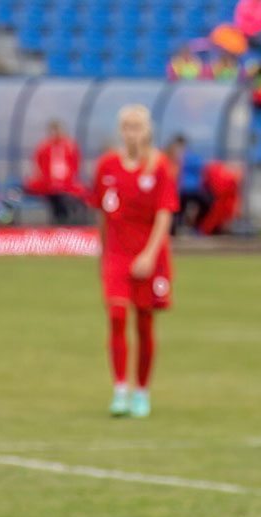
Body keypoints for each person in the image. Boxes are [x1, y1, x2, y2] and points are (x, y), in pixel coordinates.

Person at [91, 105, 178, 419]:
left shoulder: (159, 166)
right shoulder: (107, 165)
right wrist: (103, 251)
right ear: (120, 130)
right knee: (116, 315)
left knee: (144, 323)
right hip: (116, 253)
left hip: (148, 255)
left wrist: (150, 255)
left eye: (137, 127)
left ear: (148, 130)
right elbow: (102, 212)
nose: (132, 133)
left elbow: (164, 214)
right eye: (127, 126)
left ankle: (142, 392)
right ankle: (120, 389)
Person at [25, 120, 85, 225]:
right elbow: (39, 166)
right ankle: (59, 220)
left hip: (67, 185)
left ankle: (70, 221)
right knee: (55, 197)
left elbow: (75, 166)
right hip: (49, 186)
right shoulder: (44, 147)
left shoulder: (70, 147)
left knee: (74, 197)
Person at [166, 135, 208, 234]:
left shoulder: (188, 158)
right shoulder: (171, 158)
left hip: (190, 191)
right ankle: (175, 229)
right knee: (176, 209)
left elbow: (201, 168)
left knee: (204, 205)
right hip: (180, 191)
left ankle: (197, 228)